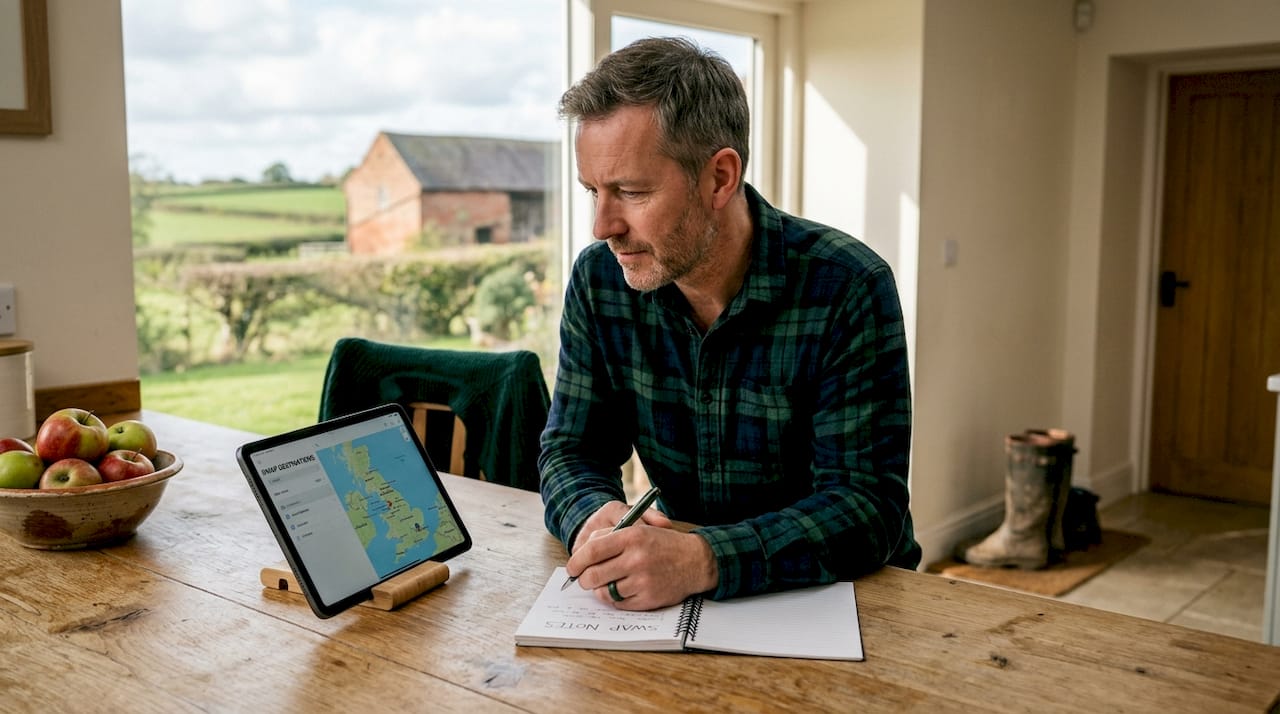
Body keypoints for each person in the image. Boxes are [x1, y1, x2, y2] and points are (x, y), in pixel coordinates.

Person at [539, 36, 920, 612]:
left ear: (719, 177)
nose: (601, 225)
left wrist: (704, 559)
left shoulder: (847, 285)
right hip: (678, 604)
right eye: (593, 190)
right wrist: (594, 515)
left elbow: (866, 508)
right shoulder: (600, 282)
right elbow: (571, 450)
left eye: (631, 192)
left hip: (849, 600)